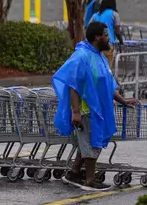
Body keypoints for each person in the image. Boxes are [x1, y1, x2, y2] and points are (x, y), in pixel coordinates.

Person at [53, 21, 138, 191]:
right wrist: (75, 112)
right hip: (85, 111)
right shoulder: (82, 56)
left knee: (89, 142)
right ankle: (90, 180)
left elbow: (107, 84)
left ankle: (75, 173)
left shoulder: (99, 56)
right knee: (91, 144)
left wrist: (122, 100)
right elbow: (73, 86)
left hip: (97, 110)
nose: (109, 39)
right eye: (107, 36)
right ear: (98, 37)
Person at [90, 0, 123, 69]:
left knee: (97, 68)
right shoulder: (114, 14)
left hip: (95, 45)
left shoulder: (95, 15)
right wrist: (121, 41)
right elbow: (117, 32)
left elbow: (89, 28)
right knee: (107, 69)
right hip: (108, 44)